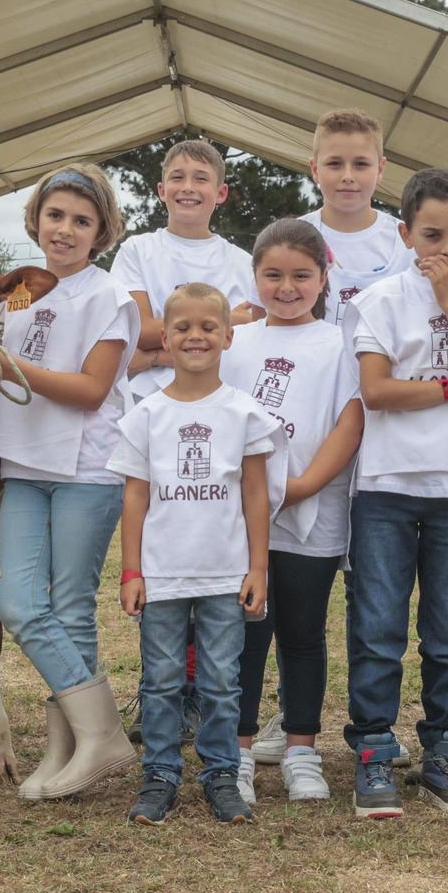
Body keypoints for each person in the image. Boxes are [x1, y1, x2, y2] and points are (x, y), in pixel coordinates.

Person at [345, 169, 448, 819]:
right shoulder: (379, 300)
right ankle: (373, 752)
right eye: (432, 234)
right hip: (387, 486)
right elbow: (378, 391)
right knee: (378, 627)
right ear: (405, 233)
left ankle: (445, 750)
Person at [0, 164, 140, 802]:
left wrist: (3, 363)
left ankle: (75, 746)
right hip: (20, 464)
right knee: (18, 602)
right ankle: (94, 736)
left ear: (101, 232)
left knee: (71, 608)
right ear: (36, 220)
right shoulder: (13, 297)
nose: (65, 230)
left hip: (89, 467)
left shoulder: (110, 297)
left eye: (81, 220)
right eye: (55, 216)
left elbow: (92, 390)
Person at [111, 283, 278, 825]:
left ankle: (222, 775)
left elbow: (256, 494)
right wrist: (131, 571)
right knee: (160, 680)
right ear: (164, 334)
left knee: (221, 683)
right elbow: (134, 497)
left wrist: (258, 567)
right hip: (160, 575)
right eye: (182, 326)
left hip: (225, 574)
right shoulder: (146, 414)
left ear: (229, 337)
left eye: (209, 326)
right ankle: (159, 776)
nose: (195, 336)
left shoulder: (244, 413)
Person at [222, 218, 364, 803]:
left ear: (324, 278)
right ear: (253, 276)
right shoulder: (237, 342)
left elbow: (351, 419)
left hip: (313, 510)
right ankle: (238, 750)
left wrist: (302, 486)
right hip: (239, 517)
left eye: (301, 276)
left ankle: (302, 748)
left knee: (304, 632)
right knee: (246, 632)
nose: (286, 287)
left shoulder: (339, 344)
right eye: (272, 275)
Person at [112, 138, 260, 403]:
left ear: (221, 193)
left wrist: (153, 358)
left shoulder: (244, 264)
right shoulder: (136, 250)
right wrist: (229, 321)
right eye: (177, 177)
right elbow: (138, 333)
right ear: (161, 189)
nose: (188, 188)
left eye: (201, 179)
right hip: (145, 401)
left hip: (222, 401)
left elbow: (245, 348)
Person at [304, 109, 413, 331]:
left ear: (380, 168)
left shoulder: (406, 242)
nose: (347, 176)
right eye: (334, 164)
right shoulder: (292, 237)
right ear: (315, 169)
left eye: (361, 164)